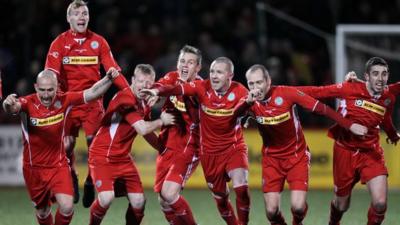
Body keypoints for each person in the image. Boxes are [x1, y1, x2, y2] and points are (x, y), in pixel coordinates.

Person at [234, 64, 367, 225]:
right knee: (271, 212)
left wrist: (349, 124)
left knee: (298, 207)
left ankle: (297, 222)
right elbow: (233, 115)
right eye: (251, 84)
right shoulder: (249, 102)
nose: (255, 88)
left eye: (259, 82)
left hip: (297, 156)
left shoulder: (286, 94)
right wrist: (246, 106)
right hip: (271, 160)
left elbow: (321, 108)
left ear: (268, 81)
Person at [2, 69, 121, 225]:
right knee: (43, 211)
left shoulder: (64, 100)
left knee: (67, 207)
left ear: (57, 86)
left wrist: (109, 78)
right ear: (36, 87)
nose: (46, 95)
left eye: (50, 90)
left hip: (59, 165)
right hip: (34, 170)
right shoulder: (27, 103)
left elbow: (92, 92)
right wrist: (7, 103)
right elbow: (13, 108)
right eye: (42, 90)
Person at [142, 57, 251, 225]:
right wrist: (156, 91)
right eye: (212, 71)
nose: (214, 76)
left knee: (241, 186)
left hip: (233, 147)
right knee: (221, 198)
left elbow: (255, 107)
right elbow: (177, 88)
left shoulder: (240, 91)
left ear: (230, 75)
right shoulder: (202, 88)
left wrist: (250, 115)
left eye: (219, 72)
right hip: (209, 153)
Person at [297, 57, 399, 225]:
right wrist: (280, 92)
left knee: (380, 203)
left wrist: (392, 134)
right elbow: (317, 91)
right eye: (375, 74)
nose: (380, 78)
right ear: (366, 76)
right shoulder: (349, 89)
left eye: (384, 74)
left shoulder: (388, 97)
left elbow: (385, 118)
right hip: (345, 151)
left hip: (371, 152)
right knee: (341, 204)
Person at [44, 0, 128, 206]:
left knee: (94, 145)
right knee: (67, 145)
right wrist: (47, 102)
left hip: (92, 102)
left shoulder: (99, 42)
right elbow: (51, 76)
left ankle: (90, 181)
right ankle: (72, 176)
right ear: (69, 18)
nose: (82, 17)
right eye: (77, 14)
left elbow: (112, 71)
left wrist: (130, 91)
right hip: (68, 102)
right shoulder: (59, 43)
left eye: (85, 13)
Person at [88, 64, 175, 225]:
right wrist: (161, 121)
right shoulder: (124, 99)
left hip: (123, 158)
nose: (144, 86)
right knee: (106, 198)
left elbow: (147, 132)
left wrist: (162, 148)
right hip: (102, 155)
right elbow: (142, 128)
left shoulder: (145, 102)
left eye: (149, 83)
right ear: (133, 80)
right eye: (141, 81)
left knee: (139, 202)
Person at [153, 45, 202, 225]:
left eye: (190, 63)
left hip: (189, 147)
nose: (184, 66)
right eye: (182, 61)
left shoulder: (200, 89)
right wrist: (153, 92)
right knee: (163, 201)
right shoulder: (172, 77)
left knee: (169, 193)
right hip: (168, 145)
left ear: (198, 68)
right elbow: (160, 86)